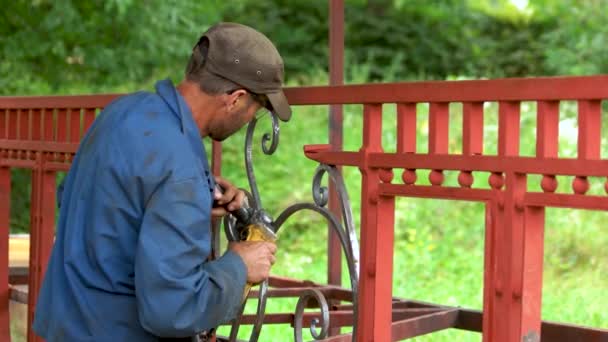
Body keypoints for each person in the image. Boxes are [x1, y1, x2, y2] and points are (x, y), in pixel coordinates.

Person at [32, 22, 292, 341]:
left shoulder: (123, 111)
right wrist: (238, 267)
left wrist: (194, 200)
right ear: (236, 98)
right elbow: (172, 310)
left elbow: (78, 196)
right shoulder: (179, 165)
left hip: (68, 323)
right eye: (258, 108)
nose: (251, 117)